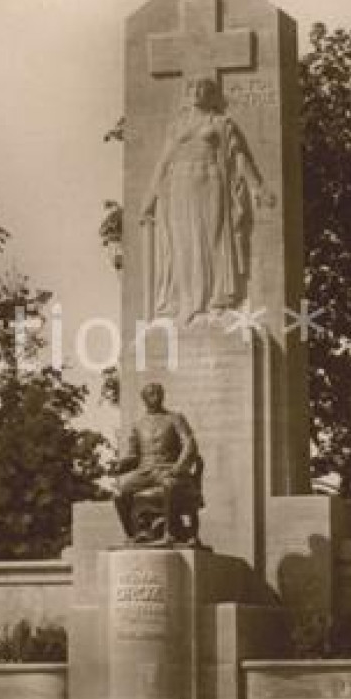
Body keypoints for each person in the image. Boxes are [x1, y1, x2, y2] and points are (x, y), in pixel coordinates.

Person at [140, 76, 273, 324]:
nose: (197, 92)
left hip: (211, 183)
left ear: (211, 94)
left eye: (203, 88)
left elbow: (239, 158)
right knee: (183, 245)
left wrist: (257, 186)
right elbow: (164, 160)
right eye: (193, 88)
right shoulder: (178, 126)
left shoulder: (222, 123)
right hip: (180, 185)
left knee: (213, 240)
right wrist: (150, 196)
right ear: (187, 93)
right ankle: (187, 303)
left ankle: (216, 301)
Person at [113, 383, 200, 545]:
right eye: (151, 394)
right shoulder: (138, 424)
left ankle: (170, 534)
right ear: (144, 399)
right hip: (145, 471)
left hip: (167, 468)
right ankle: (134, 534)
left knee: (169, 485)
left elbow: (189, 444)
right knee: (119, 493)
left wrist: (179, 467)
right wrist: (120, 465)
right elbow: (133, 455)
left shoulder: (175, 418)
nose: (156, 396)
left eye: (159, 393)